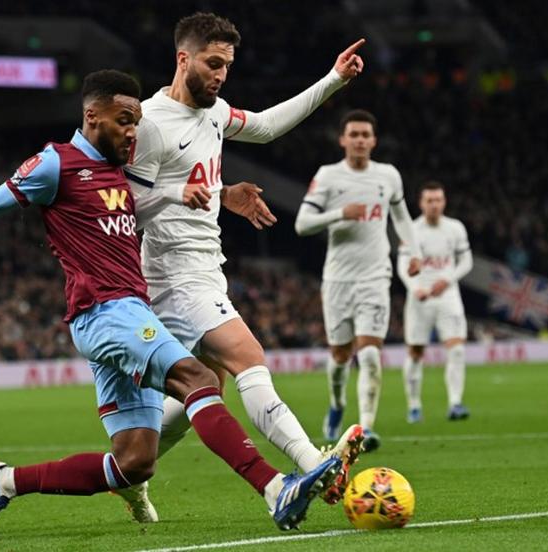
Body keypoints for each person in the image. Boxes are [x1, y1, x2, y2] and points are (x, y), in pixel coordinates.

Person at [0, 70, 341, 542]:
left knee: (135, 462)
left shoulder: (117, 173)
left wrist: (219, 194)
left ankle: (2, 481)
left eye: (136, 122)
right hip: (105, 312)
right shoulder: (54, 164)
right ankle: (274, 488)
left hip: (128, 313)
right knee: (201, 380)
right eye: (123, 120)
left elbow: (148, 201)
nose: (132, 132)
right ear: (92, 116)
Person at [122, 12, 367, 514]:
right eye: (213, 64)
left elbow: (267, 126)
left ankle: (130, 470)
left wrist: (334, 79)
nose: (221, 75)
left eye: (227, 66)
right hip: (173, 275)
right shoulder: (149, 123)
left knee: (203, 387)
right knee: (248, 357)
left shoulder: (214, 113)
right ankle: (313, 462)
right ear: (183, 59)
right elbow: (126, 209)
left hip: (206, 268)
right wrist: (176, 193)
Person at [294, 109, 422, 450]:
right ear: (343, 139)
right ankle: (337, 404)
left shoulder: (388, 175)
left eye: (366, 135)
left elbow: (402, 217)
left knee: (369, 354)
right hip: (338, 279)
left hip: (375, 277)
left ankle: (364, 428)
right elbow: (302, 224)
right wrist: (339, 213)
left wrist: (414, 251)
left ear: (374, 141)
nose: (360, 140)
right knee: (340, 355)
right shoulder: (328, 176)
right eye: (354, 134)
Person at [398, 182, 473, 422]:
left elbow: (466, 261)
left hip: (448, 296)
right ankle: (414, 406)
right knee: (415, 352)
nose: (434, 205)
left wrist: (448, 279)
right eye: (429, 200)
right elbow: (402, 263)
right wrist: (414, 288)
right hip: (419, 297)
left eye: (438, 200)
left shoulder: (455, 228)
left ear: (444, 202)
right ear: (421, 203)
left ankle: (455, 403)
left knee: (457, 349)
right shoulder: (411, 230)